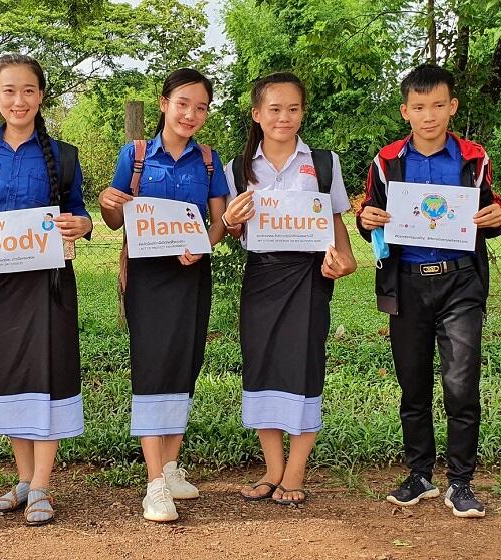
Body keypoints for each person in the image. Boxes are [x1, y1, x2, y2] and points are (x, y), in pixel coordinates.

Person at [356, 63, 501, 518]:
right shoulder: (387, 161)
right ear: (406, 111)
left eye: (439, 105)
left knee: (461, 383)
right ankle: (419, 474)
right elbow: (372, 213)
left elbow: (492, 207)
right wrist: (368, 220)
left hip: (461, 280)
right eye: (420, 107)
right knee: (413, 383)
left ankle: (461, 482)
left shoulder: (473, 157)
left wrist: (497, 217)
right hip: (406, 282)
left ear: (452, 107)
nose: (430, 115)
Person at [0, 53, 92, 526]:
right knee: (12, 375)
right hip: (1, 284)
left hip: (50, 283)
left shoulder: (63, 154)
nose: (19, 100)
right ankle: (22, 479)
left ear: (41, 96)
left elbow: (79, 211)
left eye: (29, 91)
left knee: (48, 373)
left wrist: (82, 223)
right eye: (9, 91)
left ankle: (42, 486)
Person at [98, 68, 229, 522]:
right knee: (152, 367)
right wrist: (106, 203)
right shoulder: (134, 156)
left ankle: (172, 467)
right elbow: (115, 221)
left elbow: (220, 225)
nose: (191, 114)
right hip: (147, 278)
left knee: (185, 362)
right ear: (163, 103)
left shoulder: (209, 161)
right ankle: (154, 483)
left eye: (201, 107)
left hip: (192, 276)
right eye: (183, 103)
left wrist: (204, 244)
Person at [221, 72, 356, 506]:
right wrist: (232, 221)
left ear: (303, 112)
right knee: (261, 366)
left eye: (293, 109)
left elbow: (335, 220)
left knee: (304, 365)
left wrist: (346, 258)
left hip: (310, 277)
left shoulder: (323, 162)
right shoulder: (237, 169)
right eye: (274, 109)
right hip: (261, 275)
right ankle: (273, 469)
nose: (284, 117)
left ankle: (295, 473)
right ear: (257, 114)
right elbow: (229, 233)